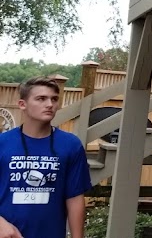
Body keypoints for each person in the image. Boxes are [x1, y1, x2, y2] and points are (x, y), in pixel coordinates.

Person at [0, 77, 92, 238]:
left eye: (54, 99)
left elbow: (75, 197)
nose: (50, 104)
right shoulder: (3, 143)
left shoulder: (70, 145)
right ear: (22, 104)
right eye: (41, 99)